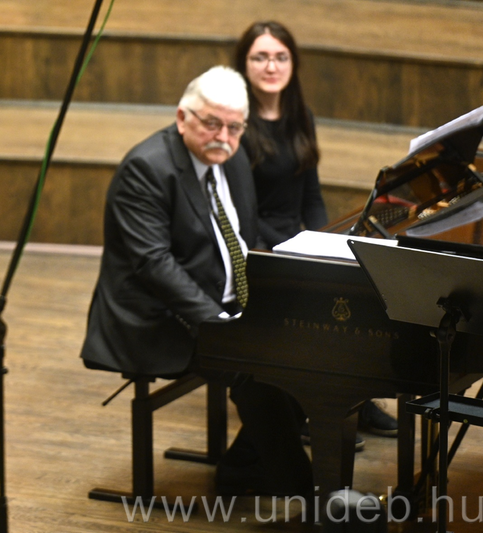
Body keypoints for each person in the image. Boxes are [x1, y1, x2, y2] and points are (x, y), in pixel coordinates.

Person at [80, 65, 313, 497]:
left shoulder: (233, 156)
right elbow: (154, 265)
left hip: (224, 300)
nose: (223, 136)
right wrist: (224, 326)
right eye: (211, 124)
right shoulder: (146, 169)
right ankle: (303, 490)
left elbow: (244, 236)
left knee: (310, 340)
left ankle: (246, 464)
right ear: (182, 117)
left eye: (234, 127)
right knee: (256, 368)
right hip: (158, 318)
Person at [236, 21, 397, 440]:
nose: (271, 66)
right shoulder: (236, 124)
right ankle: (310, 407)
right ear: (244, 64)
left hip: (296, 240)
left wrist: (329, 242)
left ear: (293, 63)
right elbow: (243, 210)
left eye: (280, 57)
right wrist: (291, 251)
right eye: (260, 57)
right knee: (320, 306)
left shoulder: (300, 116)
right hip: (258, 245)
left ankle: (354, 399)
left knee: (357, 289)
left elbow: (310, 195)